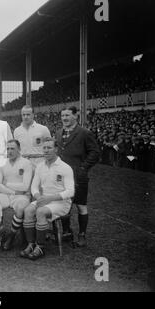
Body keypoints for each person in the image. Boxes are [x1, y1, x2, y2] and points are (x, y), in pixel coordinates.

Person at [20, 138, 75, 260]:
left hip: (61, 203)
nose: (46, 150)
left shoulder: (65, 167)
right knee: (28, 210)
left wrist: (48, 198)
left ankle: (40, 247)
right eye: (44, 148)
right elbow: (34, 186)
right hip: (44, 199)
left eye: (49, 148)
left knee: (40, 212)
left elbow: (70, 191)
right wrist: (38, 197)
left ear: (56, 149)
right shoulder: (40, 166)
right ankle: (31, 244)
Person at [55, 106, 100, 247]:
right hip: (62, 176)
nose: (64, 118)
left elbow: (95, 153)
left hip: (78, 176)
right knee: (63, 204)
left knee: (81, 206)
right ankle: (67, 232)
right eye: (62, 115)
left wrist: (83, 168)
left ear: (76, 116)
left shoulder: (84, 133)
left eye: (68, 115)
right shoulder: (58, 132)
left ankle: (82, 235)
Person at [0, 140, 33, 250]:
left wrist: (7, 184)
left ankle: (11, 235)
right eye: (8, 149)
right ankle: (0, 232)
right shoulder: (2, 163)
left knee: (20, 209)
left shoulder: (26, 163)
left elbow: (25, 186)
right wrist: (13, 191)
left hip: (22, 196)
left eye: (13, 149)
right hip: (7, 194)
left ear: (19, 150)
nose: (10, 151)